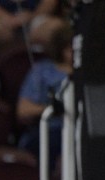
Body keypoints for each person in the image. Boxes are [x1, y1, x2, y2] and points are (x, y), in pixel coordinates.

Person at [15, 24, 71, 158]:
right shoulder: (42, 71)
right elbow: (23, 110)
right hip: (50, 130)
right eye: (70, 49)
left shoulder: (90, 75)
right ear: (61, 48)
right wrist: (53, 108)